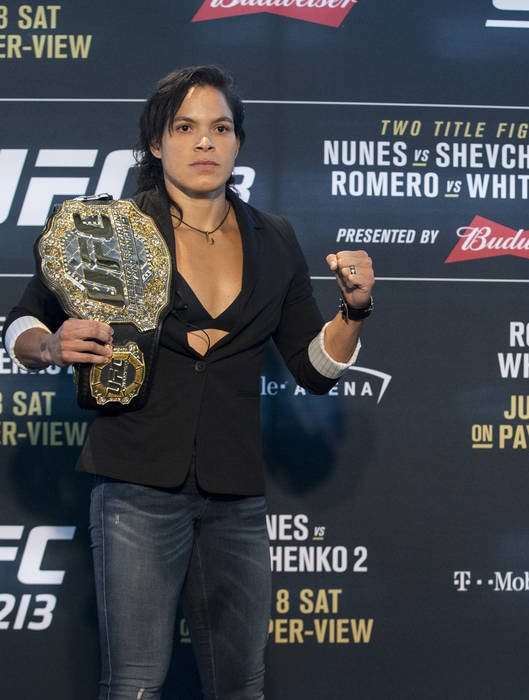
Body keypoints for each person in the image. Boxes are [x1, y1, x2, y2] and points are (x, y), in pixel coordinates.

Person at [2, 65, 375, 699]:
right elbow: (21, 322)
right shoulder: (109, 229)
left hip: (236, 495)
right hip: (135, 485)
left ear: (237, 143)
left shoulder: (275, 238)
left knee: (242, 686)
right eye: (185, 127)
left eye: (220, 128)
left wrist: (355, 310)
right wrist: (50, 345)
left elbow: (314, 369)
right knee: (135, 686)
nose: (205, 141)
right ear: (156, 143)